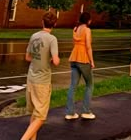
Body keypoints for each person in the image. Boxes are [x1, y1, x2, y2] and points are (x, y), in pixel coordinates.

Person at [20, 11, 59, 140]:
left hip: (31, 78)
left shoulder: (34, 36)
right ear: (55, 24)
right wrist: (51, 59)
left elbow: (27, 57)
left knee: (35, 114)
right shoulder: (52, 39)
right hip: (42, 81)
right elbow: (56, 61)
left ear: (42, 22)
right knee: (41, 117)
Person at [65, 11, 96, 120]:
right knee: (89, 84)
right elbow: (88, 46)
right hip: (83, 58)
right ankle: (86, 111)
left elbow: (75, 44)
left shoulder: (75, 29)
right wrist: (92, 60)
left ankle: (70, 112)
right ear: (88, 20)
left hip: (74, 57)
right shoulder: (87, 30)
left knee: (73, 86)